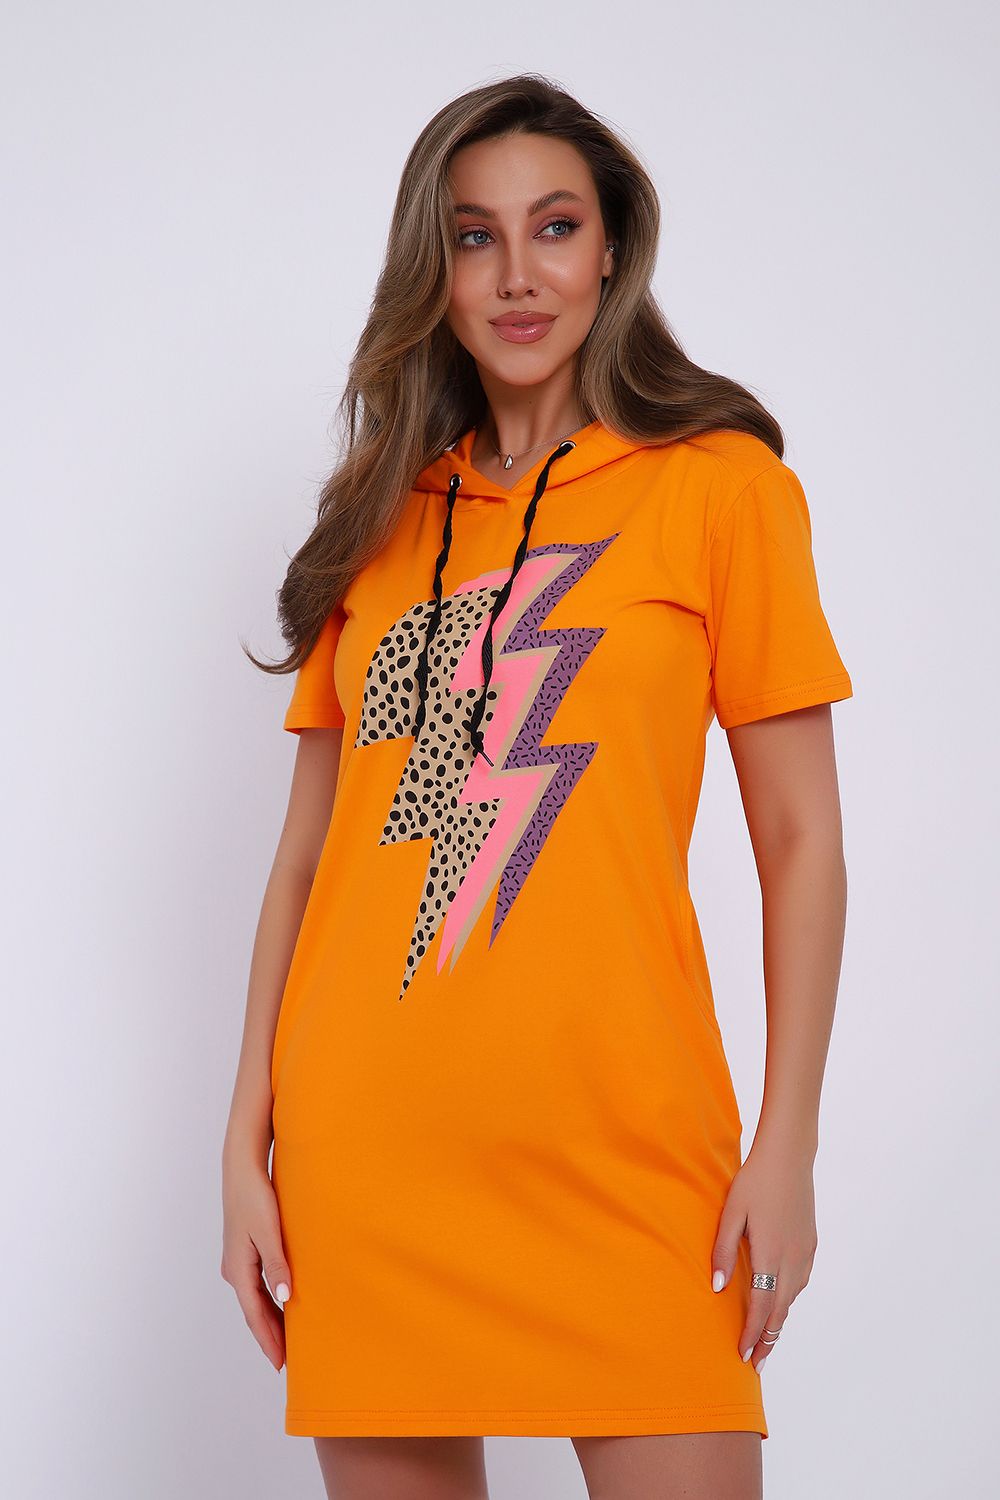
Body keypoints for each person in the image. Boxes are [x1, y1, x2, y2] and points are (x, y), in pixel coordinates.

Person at [222, 73, 853, 1500]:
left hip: (631, 1154)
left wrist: (789, 1144)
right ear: (431, 268)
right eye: (475, 236)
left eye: (555, 227)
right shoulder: (376, 519)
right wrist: (243, 1147)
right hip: (370, 1158)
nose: (518, 274)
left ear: (613, 247)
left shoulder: (719, 491)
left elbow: (801, 837)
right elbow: (307, 862)